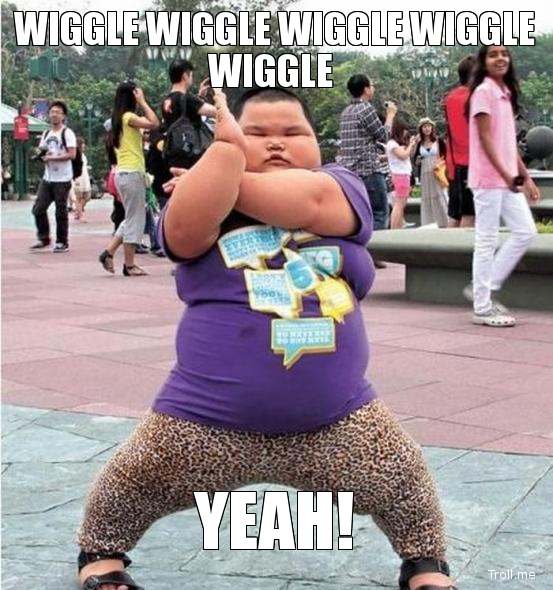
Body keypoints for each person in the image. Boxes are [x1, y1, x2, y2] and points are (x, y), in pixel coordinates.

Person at [76, 87, 456, 590]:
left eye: (293, 132)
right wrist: (222, 161)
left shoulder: (339, 183)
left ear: (318, 144)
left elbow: (311, 201)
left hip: (337, 420)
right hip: (201, 419)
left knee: (403, 479)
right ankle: (101, 554)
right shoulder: (207, 197)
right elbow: (184, 233)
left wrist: (225, 181)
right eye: (254, 134)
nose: (276, 143)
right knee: (132, 480)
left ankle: (424, 563)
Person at [466, 45, 539, 327]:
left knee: (526, 231)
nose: (500, 58)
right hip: (488, 178)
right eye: (493, 54)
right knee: (486, 239)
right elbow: (486, 140)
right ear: (483, 62)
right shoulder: (483, 92)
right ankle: (482, 307)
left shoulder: (505, 93)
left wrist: (525, 176)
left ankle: (484, 287)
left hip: (506, 178)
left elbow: (508, 143)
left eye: (504, 54)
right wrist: (507, 176)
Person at [98, 81, 159, 276]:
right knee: (135, 219)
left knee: (131, 216)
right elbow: (154, 123)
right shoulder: (128, 117)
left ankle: (108, 252)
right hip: (132, 173)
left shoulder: (119, 120)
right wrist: (143, 102)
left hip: (124, 173)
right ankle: (129, 264)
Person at [336, 74, 397, 234]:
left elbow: (358, 140)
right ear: (366, 89)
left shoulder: (346, 112)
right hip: (368, 170)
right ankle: (376, 248)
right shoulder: (366, 108)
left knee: (360, 215)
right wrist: (390, 115)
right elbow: (384, 136)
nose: (373, 88)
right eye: (371, 85)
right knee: (379, 214)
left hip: (349, 173)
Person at [30, 100, 76, 253]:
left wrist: (53, 158)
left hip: (62, 178)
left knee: (60, 211)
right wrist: (41, 156)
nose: (54, 115)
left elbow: (72, 154)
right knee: (38, 209)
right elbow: (42, 150)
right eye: (52, 112)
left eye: (58, 112)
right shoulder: (46, 133)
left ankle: (62, 242)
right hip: (48, 178)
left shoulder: (67, 133)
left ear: (63, 116)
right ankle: (44, 238)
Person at [444, 56, 476, 228]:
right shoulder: (474, 97)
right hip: (473, 163)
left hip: (455, 164)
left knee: (455, 214)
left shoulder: (450, 98)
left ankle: (447, 247)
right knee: (469, 214)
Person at [413, 119, 449, 228]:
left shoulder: (438, 141)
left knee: (440, 194)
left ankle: (445, 221)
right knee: (427, 196)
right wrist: (417, 160)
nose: (427, 129)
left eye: (429, 126)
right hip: (425, 172)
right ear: (421, 129)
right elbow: (415, 160)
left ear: (432, 128)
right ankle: (429, 222)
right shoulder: (419, 144)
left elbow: (446, 155)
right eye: (424, 127)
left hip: (437, 171)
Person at [386, 120, 417, 229]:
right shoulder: (392, 143)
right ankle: (394, 227)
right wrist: (411, 145)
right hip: (400, 175)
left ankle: (398, 226)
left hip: (404, 174)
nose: (406, 132)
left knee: (401, 204)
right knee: (399, 204)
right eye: (404, 130)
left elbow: (409, 154)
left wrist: (412, 144)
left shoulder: (398, 143)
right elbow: (403, 155)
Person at [73, 137, 91, 222]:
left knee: (87, 196)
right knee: (78, 197)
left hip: (85, 177)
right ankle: (80, 215)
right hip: (78, 178)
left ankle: (77, 211)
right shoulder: (75, 155)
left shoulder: (83, 155)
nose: (84, 146)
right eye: (82, 144)